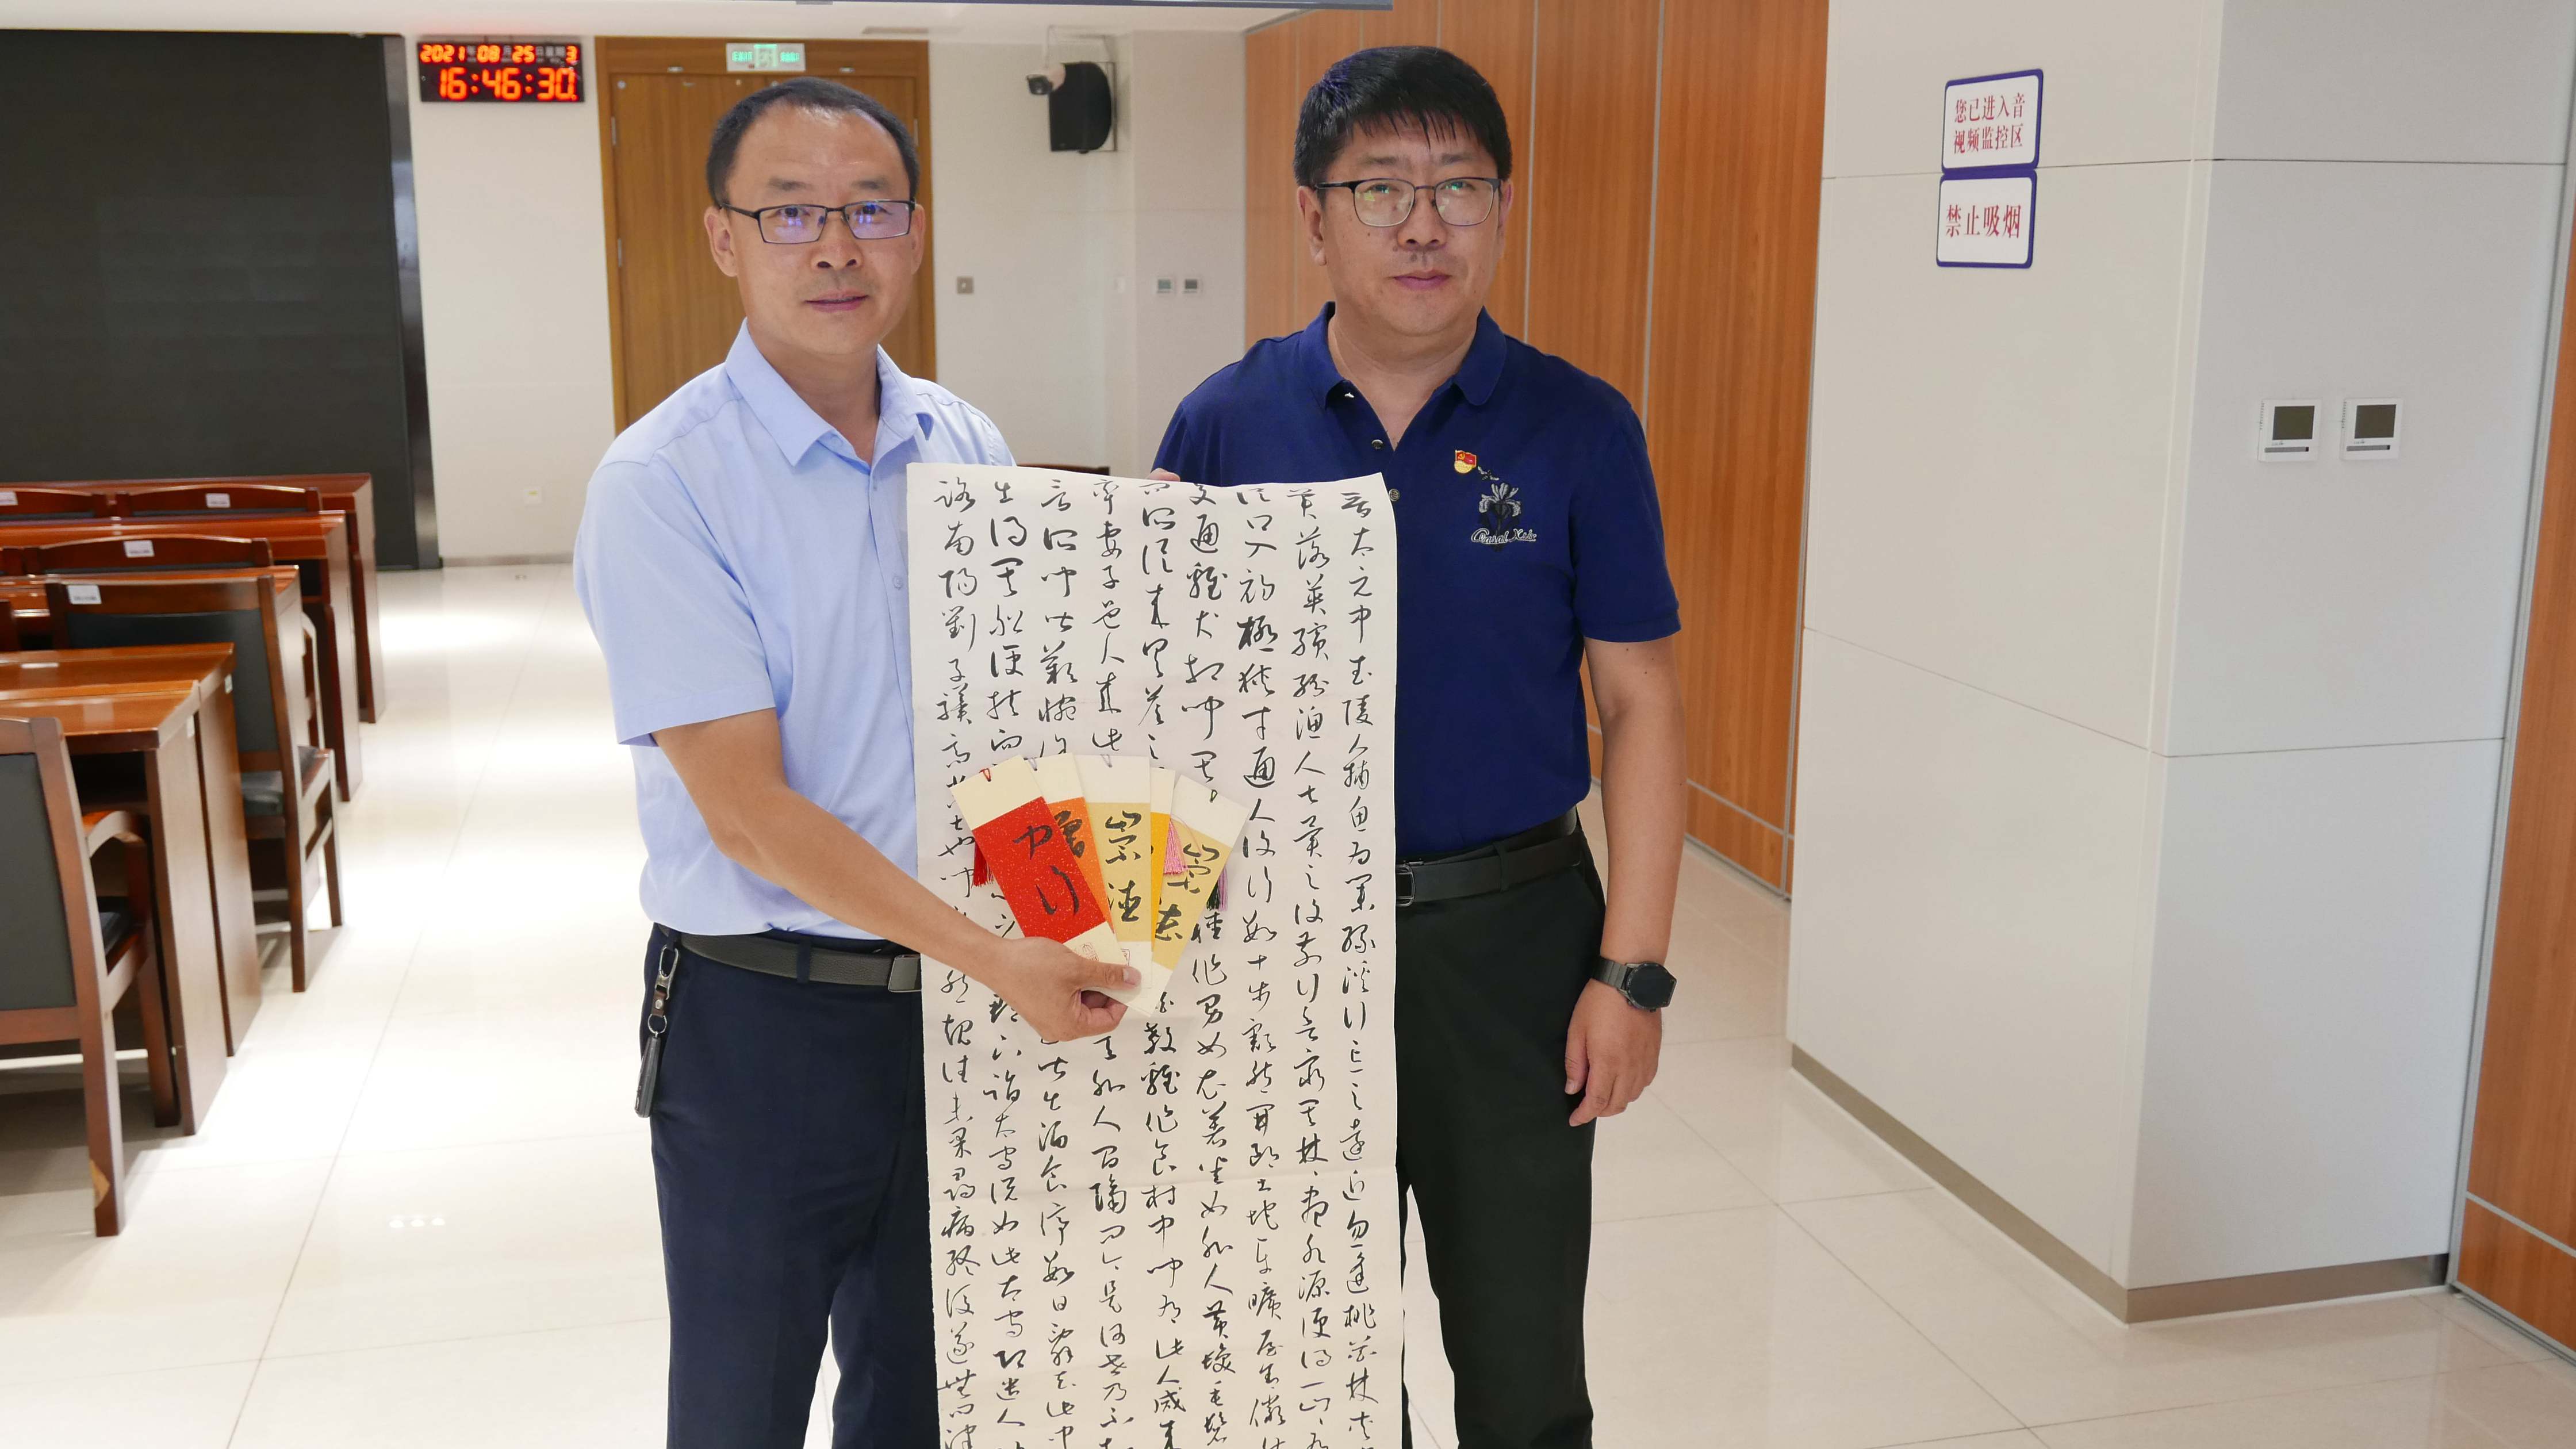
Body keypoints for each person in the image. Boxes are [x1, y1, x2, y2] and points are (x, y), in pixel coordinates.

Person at [573, 78, 1136, 1449]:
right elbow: (751, 816)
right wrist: (996, 957)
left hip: (956, 1008)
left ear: (916, 232)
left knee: (930, 1392)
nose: (836, 247)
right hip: (765, 1018)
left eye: (871, 211)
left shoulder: (967, 444)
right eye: (791, 214)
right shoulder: (664, 482)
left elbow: (1008, 737)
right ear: (723, 239)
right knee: (742, 1403)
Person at [1153, 46, 1688, 1449]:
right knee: (1313, 1356)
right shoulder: (1224, 423)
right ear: (1312, 216)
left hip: (1510, 944)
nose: (1421, 225)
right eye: (1379, 188)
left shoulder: (1578, 428)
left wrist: (1630, 973)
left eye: (1457, 188)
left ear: (1502, 210)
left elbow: (1638, 703)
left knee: (1521, 1360)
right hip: (1279, 944)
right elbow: (1163, 712)